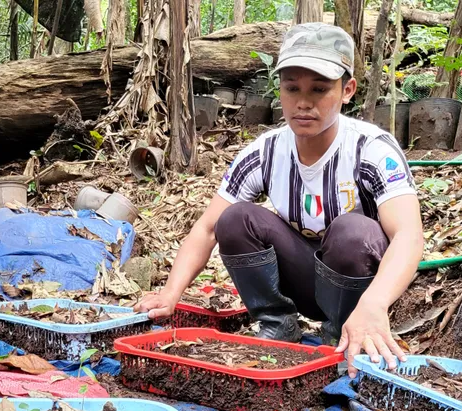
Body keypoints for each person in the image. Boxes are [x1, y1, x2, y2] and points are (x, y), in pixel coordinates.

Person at [136, 23, 424, 374]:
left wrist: (375, 304)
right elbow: (208, 229)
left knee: (354, 232)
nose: (304, 103)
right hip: (302, 276)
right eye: (292, 88)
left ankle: (343, 334)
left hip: (357, 286)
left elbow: (409, 235)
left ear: (347, 90)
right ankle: (277, 323)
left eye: (319, 89)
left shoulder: (371, 149)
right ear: (280, 90)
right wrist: (170, 294)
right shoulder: (266, 152)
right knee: (236, 218)